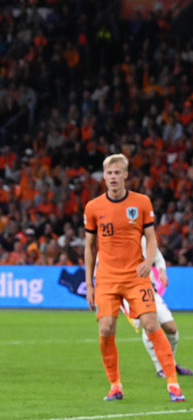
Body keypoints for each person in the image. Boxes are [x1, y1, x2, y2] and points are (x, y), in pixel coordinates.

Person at [83, 154, 184, 402]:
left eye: (118, 172)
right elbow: (89, 247)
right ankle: (115, 386)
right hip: (106, 278)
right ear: (104, 176)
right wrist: (90, 284)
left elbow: (151, 239)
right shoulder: (93, 207)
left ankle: (173, 385)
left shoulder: (141, 203)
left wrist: (149, 263)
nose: (113, 177)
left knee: (152, 325)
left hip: (135, 277)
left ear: (126, 175)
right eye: (109, 173)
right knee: (106, 329)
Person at [120, 239, 193, 378]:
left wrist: (162, 273)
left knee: (171, 328)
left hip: (150, 290)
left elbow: (158, 257)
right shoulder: (117, 239)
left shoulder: (144, 239)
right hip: (129, 293)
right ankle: (161, 368)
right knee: (149, 326)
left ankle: (170, 363)